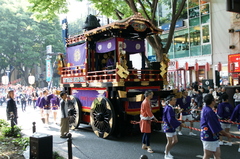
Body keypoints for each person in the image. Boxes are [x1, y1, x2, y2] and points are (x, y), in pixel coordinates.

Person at [201, 94, 232, 159]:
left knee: (217, 154)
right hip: (209, 135)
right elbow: (214, 126)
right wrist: (226, 134)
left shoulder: (206, 109)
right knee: (207, 155)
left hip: (211, 135)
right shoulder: (209, 111)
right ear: (212, 101)